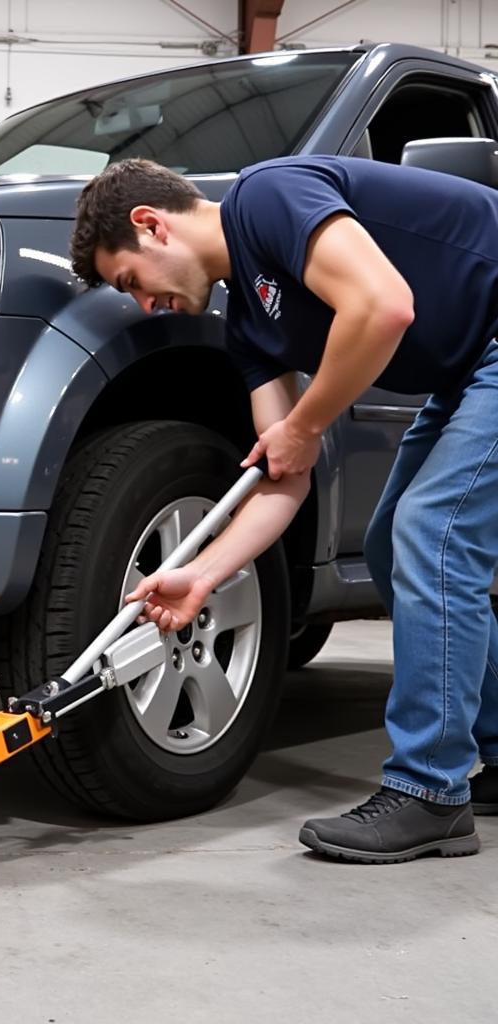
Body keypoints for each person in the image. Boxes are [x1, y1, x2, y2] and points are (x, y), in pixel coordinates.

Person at [69, 154, 498, 863]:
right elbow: (282, 479)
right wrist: (203, 575)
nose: (146, 304)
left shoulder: (265, 198)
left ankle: (430, 791)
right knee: (396, 543)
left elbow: (383, 305)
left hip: (487, 348)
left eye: (131, 281)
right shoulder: (250, 329)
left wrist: (303, 426)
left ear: (151, 226)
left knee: (433, 533)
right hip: (466, 372)